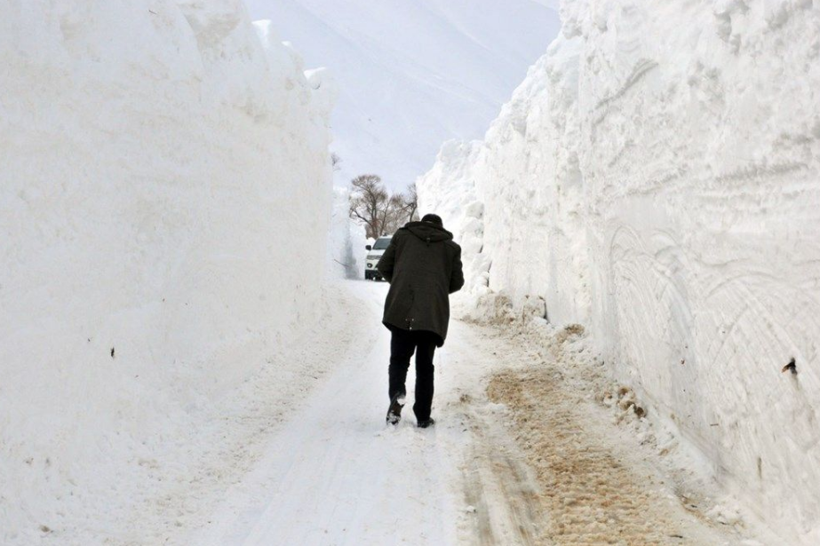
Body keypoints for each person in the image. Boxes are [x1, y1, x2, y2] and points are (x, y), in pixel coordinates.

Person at [376, 213, 464, 428]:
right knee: (425, 367)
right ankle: (423, 416)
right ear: (440, 227)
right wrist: (435, 290)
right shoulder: (451, 247)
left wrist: (401, 283)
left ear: (421, 223)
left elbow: (384, 266)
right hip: (431, 314)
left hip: (402, 309)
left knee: (398, 361)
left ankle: (397, 396)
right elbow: (457, 282)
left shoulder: (402, 236)